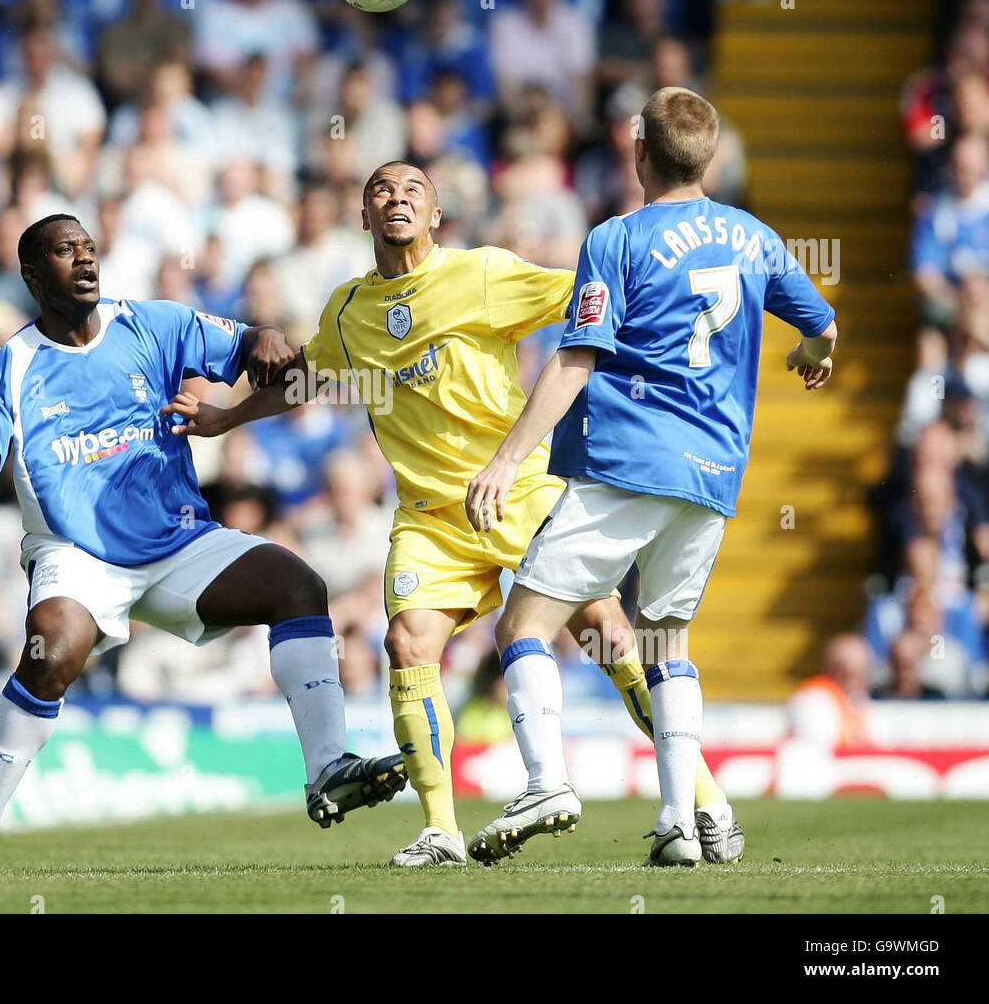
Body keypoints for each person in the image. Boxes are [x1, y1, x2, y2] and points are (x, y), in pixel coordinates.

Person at [163, 162, 738, 867]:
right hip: (431, 517)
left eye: (413, 191)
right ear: (365, 217)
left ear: (436, 216)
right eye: (380, 191)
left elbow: (588, 299)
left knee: (604, 628)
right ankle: (440, 829)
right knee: (407, 642)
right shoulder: (348, 310)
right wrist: (225, 420)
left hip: (516, 485)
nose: (396, 198)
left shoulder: (485, 275)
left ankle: (703, 797)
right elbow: (309, 376)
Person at [0, 214, 405, 872]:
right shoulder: (13, 365)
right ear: (33, 275)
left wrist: (266, 338)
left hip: (176, 541)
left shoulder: (150, 322)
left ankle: (327, 767)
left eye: (90, 248)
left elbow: (251, 341)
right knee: (52, 647)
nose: (85, 260)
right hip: (76, 551)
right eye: (66, 252)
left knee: (298, 587)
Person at [465, 88, 837, 866]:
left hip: (627, 460)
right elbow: (824, 325)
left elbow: (577, 356)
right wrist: (814, 356)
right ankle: (678, 820)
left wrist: (506, 459)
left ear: (640, 154)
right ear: (712, 157)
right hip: (712, 474)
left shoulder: (616, 238)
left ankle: (545, 781)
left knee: (523, 625)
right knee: (668, 640)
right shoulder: (755, 237)